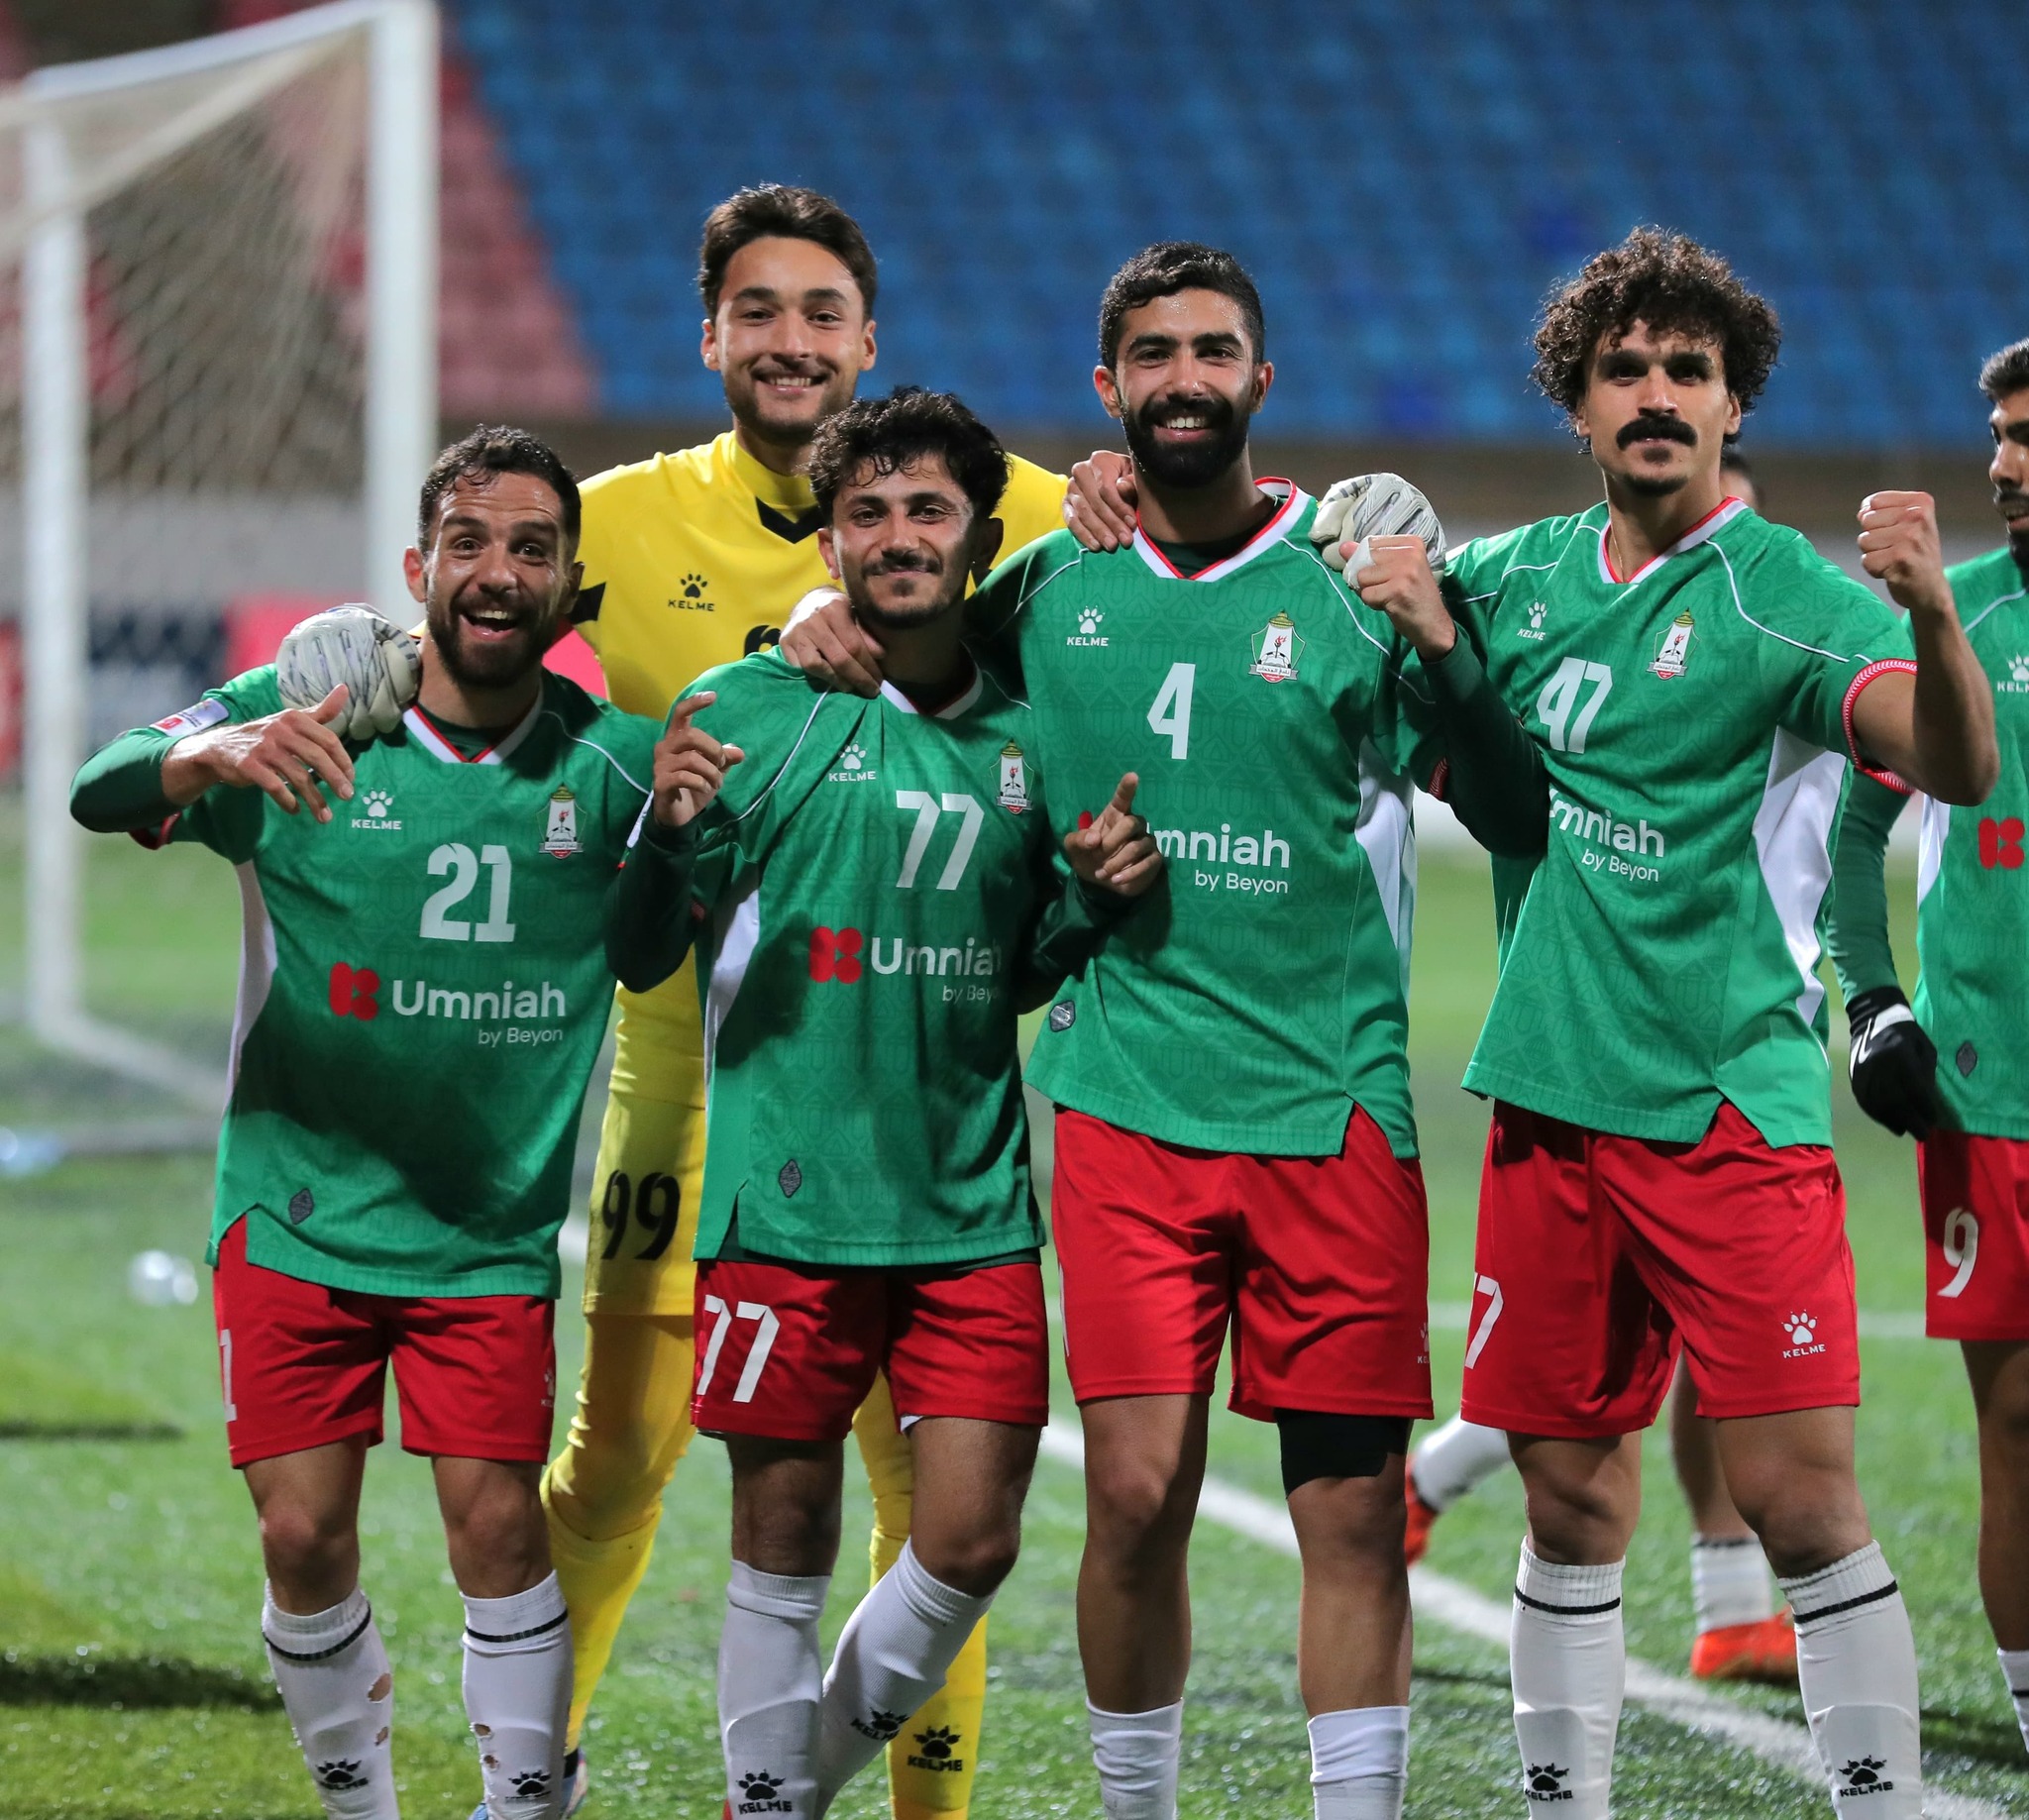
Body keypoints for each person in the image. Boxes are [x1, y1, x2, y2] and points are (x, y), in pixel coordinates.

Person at [784, 242, 1551, 1820]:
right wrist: (808, 614)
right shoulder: (1052, 585)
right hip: (1128, 1104)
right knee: (1134, 1498)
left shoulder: (1352, 580)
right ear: (1108, 388)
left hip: (1332, 1113)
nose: (1183, 378)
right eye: (1153, 354)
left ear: (1260, 379)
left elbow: (1514, 807)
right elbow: (902, 640)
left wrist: (1444, 643)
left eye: (1212, 351)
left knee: (1352, 1519)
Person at [1349, 228, 1991, 1820]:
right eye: (1621, 368)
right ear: (1575, 402)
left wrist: (1931, 615)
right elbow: (1363, 645)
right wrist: (1332, 544)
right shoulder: (1517, 578)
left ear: (1731, 403)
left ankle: (1878, 1799)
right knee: (1569, 1501)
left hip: (1725, 1105)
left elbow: (1957, 763)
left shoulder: (1783, 593)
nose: (1654, 394)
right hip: (1550, 1099)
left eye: (1686, 371)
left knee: (1801, 1501)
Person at [543, 187, 1071, 1818]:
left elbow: (1168, 544)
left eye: (821, 311)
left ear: (867, 337)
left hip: (917, 1084)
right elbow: (468, 626)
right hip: (691, 1079)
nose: (790, 340)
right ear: (707, 333)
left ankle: (907, 1807)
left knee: (930, 1500)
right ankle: (528, 1769)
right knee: (623, 1460)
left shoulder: (1017, 505)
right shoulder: (614, 523)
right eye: (757, 311)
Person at [68, 429, 666, 1820]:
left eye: (531, 548)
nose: (497, 571)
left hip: (483, 1229)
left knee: (499, 1528)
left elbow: (686, 913)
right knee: (300, 1533)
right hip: (296, 1206)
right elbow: (104, 785)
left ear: (569, 583)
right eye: (468, 542)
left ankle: (524, 1797)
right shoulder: (304, 718)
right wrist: (210, 750)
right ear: (418, 566)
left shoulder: (616, 768)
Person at [611, 384, 1160, 1818]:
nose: (899, 535)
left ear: (978, 537)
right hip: (784, 1199)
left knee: (970, 1544)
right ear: (830, 540)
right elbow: (638, 949)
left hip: (967, 1202)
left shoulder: (1031, 737)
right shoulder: (746, 707)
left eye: (929, 510)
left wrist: (1091, 904)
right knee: (780, 1538)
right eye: (867, 511)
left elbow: (1015, 971)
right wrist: (663, 834)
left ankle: (774, 1795)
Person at [1398, 441, 1798, 1688]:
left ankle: (1727, 1601)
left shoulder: (1790, 634)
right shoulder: (1597, 644)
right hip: (1605, 1044)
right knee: (1597, 1374)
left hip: (1751, 1042)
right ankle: (1713, 1596)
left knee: (1699, 1350)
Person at [1829, 335, 2029, 1759]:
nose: (2006, 463)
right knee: (2016, 1425)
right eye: (2001, 436)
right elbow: (1853, 840)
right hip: (1991, 1092)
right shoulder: (1961, 625)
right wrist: (1873, 999)